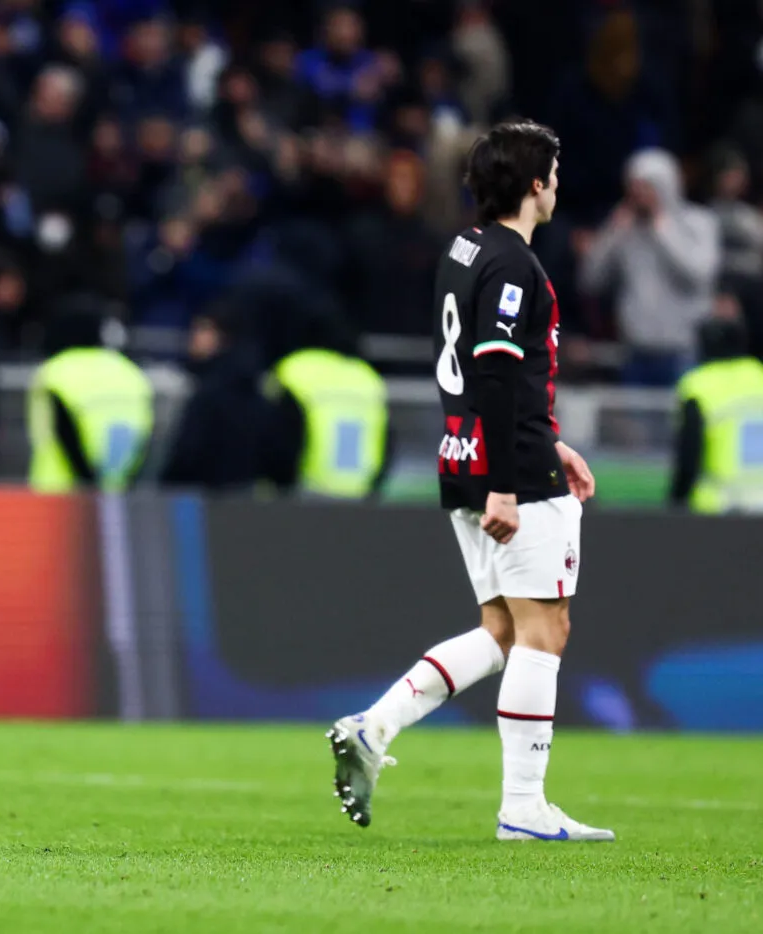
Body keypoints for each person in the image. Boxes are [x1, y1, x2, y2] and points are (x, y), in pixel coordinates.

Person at [327, 121, 614, 842]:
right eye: (554, 172)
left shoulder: (465, 248)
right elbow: (494, 370)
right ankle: (523, 807)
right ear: (535, 184)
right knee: (545, 630)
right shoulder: (515, 264)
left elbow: (487, 372)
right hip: (508, 470)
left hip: (465, 455)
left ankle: (374, 726)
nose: (559, 184)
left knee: (503, 630)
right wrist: (511, 480)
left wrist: (549, 442)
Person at [579, 148, 719, 387]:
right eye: (633, 187)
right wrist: (612, 233)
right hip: (636, 351)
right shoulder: (625, 229)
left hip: (683, 349)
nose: (639, 194)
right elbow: (590, 280)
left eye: (646, 187)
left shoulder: (697, 222)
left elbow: (699, 275)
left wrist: (663, 230)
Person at [265, 314, 391, 501]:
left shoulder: (293, 369)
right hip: (361, 497)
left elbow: (274, 438)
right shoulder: (366, 376)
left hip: (299, 497)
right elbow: (386, 441)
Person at [27, 305, 152, 493]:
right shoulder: (131, 373)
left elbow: (64, 432)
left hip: (57, 494)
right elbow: (145, 435)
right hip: (119, 494)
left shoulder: (55, 371)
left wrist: (89, 484)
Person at [159, 302, 269, 493]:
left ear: (224, 337)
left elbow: (187, 454)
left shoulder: (211, 392)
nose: (194, 337)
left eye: (204, 329)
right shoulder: (252, 385)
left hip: (204, 497)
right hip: (246, 497)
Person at [669, 303, 763, 513]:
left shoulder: (698, 385)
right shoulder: (759, 376)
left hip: (718, 509)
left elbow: (689, 457)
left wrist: (675, 503)